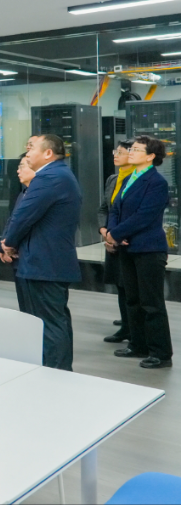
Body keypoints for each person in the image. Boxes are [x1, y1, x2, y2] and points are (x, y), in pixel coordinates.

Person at [0, 134, 82, 371]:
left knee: (50, 322)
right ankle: (52, 369)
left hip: (45, 262)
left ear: (48, 153)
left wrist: (8, 243)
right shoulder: (58, 175)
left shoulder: (49, 177)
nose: (27, 153)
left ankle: (56, 374)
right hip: (44, 260)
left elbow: (23, 217)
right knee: (48, 320)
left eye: (31, 148)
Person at [107, 136, 173, 369]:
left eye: (136, 149)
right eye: (131, 149)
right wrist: (113, 231)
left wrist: (116, 234)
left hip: (148, 248)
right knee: (132, 299)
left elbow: (144, 216)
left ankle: (160, 353)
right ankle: (138, 345)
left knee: (151, 303)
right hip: (127, 247)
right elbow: (115, 208)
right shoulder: (129, 179)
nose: (131, 152)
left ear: (151, 156)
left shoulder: (156, 182)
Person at [99, 140, 135, 344]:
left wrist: (117, 235)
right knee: (120, 285)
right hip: (112, 238)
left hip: (128, 240)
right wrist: (104, 232)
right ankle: (126, 324)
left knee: (130, 286)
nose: (115, 155)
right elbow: (104, 209)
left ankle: (132, 327)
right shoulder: (113, 179)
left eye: (120, 152)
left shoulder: (138, 179)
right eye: (115, 151)